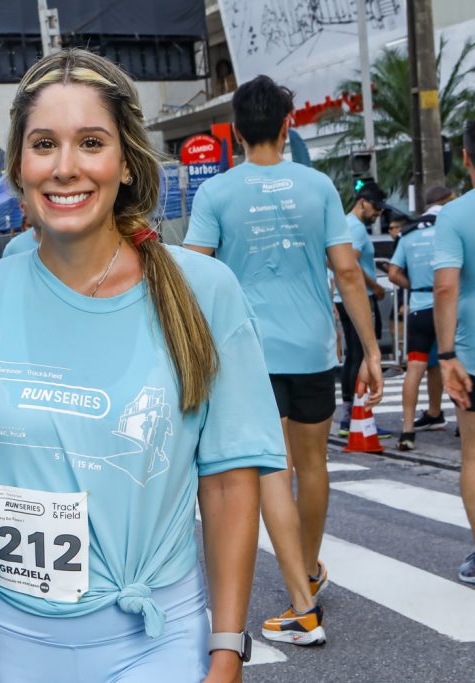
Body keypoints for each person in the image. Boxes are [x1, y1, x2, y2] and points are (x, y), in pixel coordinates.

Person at [0, 49, 285, 682]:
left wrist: (228, 649)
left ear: (126, 162)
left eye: (91, 143)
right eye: (44, 144)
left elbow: (229, 483)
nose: (65, 167)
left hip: (157, 642)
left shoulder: (205, 291)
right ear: (19, 165)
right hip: (8, 644)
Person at [184, 75, 383, 645]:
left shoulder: (217, 193)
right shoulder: (318, 187)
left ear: (235, 131)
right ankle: (308, 572)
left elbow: (194, 272)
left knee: (273, 469)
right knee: (313, 465)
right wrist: (371, 350)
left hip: (249, 353)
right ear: (287, 125)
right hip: (315, 347)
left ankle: (302, 602)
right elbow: (347, 272)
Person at [432, 118, 475, 585]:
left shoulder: (455, 215)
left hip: (471, 354)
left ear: (465, 157)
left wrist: (445, 356)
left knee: (474, 456)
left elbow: (445, 286)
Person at [389, 185, 456, 449]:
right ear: (447, 201)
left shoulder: (408, 233)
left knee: (417, 367)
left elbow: (393, 273)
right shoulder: (451, 226)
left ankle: (408, 431)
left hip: (419, 309)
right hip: (449, 308)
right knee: (460, 362)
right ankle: (465, 426)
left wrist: (414, 286)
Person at [335, 180, 390, 436]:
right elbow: (350, 264)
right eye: (376, 207)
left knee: (354, 355)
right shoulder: (355, 227)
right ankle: (357, 414)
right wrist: (375, 286)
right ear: (363, 203)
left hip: (345, 297)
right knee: (362, 355)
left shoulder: (345, 224)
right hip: (360, 297)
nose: (378, 213)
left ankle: (351, 412)